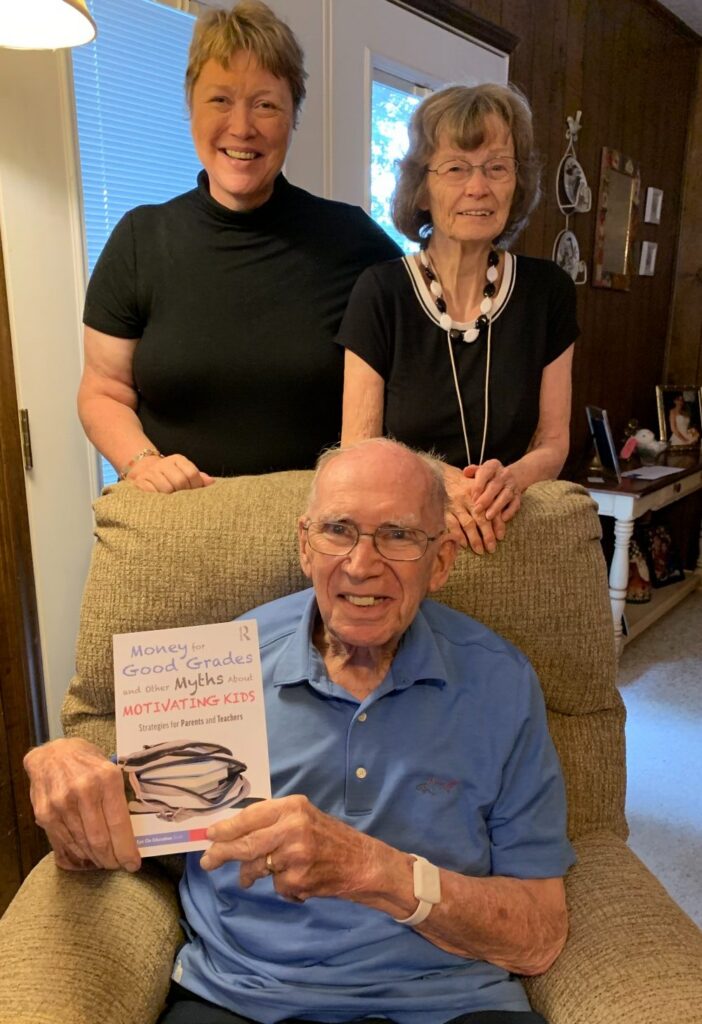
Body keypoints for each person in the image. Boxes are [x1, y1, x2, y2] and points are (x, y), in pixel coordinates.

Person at [25, 438, 575, 1024]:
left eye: (398, 535)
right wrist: (60, 765)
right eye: (338, 529)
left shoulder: (501, 682)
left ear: (440, 561)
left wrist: (379, 873)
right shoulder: (218, 667)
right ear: (305, 546)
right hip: (244, 998)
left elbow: (538, 935)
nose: (362, 565)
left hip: (447, 1002)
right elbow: (107, 833)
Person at [78, 1, 400, 493]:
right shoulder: (140, 240)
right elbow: (103, 391)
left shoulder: (355, 242)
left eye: (266, 103)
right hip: (179, 517)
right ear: (191, 106)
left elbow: (418, 370)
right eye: (220, 100)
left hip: (314, 534)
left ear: (294, 116)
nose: (242, 126)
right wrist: (142, 461)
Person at [338, 84, 578, 555]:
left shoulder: (549, 291)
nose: (478, 187)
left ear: (516, 183)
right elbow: (357, 446)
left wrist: (509, 480)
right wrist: (441, 485)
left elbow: (552, 442)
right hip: (402, 528)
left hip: (504, 524)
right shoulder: (380, 291)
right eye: (455, 168)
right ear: (421, 189)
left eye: (496, 167)